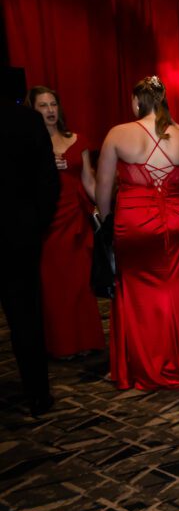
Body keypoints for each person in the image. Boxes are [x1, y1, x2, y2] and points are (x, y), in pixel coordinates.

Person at [95, 76, 179, 390]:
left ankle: (141, 364)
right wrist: (175, 124)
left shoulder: (118, 133)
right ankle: (177, 360)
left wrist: (106, 223)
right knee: (174, 293)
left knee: (135, 294)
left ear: (135, 101)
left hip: (133, 221)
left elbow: (104, 188)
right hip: (176, 220)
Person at [28, 86, 105, 358]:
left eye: (53, 105)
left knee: (80, 282)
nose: (49, 110)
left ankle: (86, 341)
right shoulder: (29, 145)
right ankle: (61, 345)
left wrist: (107, 210)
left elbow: (89, 181)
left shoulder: (77, 140)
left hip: (76, 219)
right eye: (42, 106)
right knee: (54, 284)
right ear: (33, 110)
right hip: (47, 221)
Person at [0, 98, 60, 415]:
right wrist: (36, 226)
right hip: (19, 235)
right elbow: (48, 182)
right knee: (26, 318)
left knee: (25, 318)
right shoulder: (26, 120)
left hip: (20, 234)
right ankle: (37, 394)